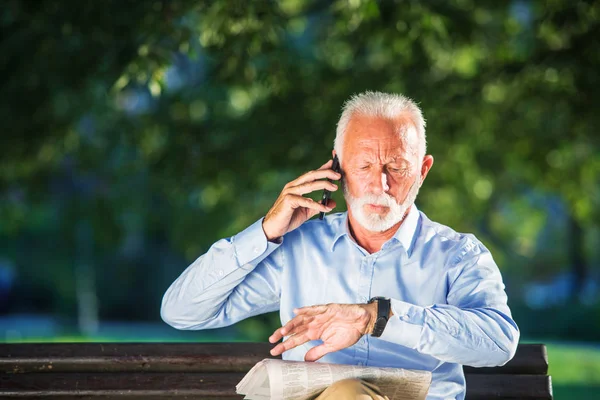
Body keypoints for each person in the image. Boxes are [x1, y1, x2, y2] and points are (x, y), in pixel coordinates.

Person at [160, 91, 520, 400]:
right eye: (364, 165)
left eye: (396, 166)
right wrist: (266, 231)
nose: (380, 183)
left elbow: (499, 342)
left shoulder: (457, 254)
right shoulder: (299, 248)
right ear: (337, 165)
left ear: (422, 170)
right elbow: (182, 311)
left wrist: (377, 317)